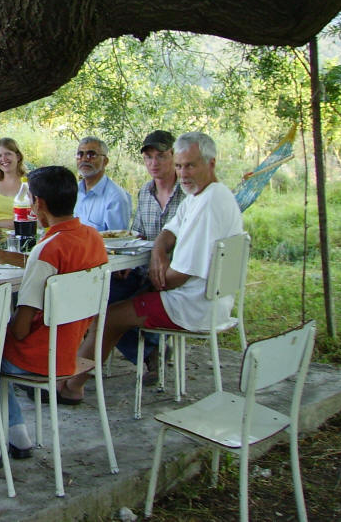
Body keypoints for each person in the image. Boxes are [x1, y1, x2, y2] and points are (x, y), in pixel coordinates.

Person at [60, 132, 244, 403]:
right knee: (111, 299)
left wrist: (153, 275)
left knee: (108, 315)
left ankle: (71, 386)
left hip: (192, 304)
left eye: (190, 166)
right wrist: (158, 250)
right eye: (180, 166)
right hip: (205, 296)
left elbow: (175, 278)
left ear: (211, 163)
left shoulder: (208, 204)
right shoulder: (202, 194)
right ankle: (76, 376)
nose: (183, 174)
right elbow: (170, 229)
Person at [0, 166, 109, 467]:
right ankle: (18, 434)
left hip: (38, 356)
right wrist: (7, 257)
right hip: (69, 348)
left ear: (38, 204)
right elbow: (57, 262)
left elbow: (20, 330)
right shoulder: (92, 237)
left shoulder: (47, 250)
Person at [114, 130, 187, 373]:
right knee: (100, 296)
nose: (154, 163)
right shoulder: (145, 192)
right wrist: (127, 262)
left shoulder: (188, 193)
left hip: (177, 274)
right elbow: (138, 235)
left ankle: (150, 350)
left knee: (118, 307)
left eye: (161, 156)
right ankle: (149, 351)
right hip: (144, 270)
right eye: (148, 157)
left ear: (174, 156)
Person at [73, 136, 132, 232]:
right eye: (80, 154)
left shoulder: (116, 198)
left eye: (91, 155)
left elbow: (118, 239)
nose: (84, 159)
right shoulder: (73, 191)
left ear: (105, 161)